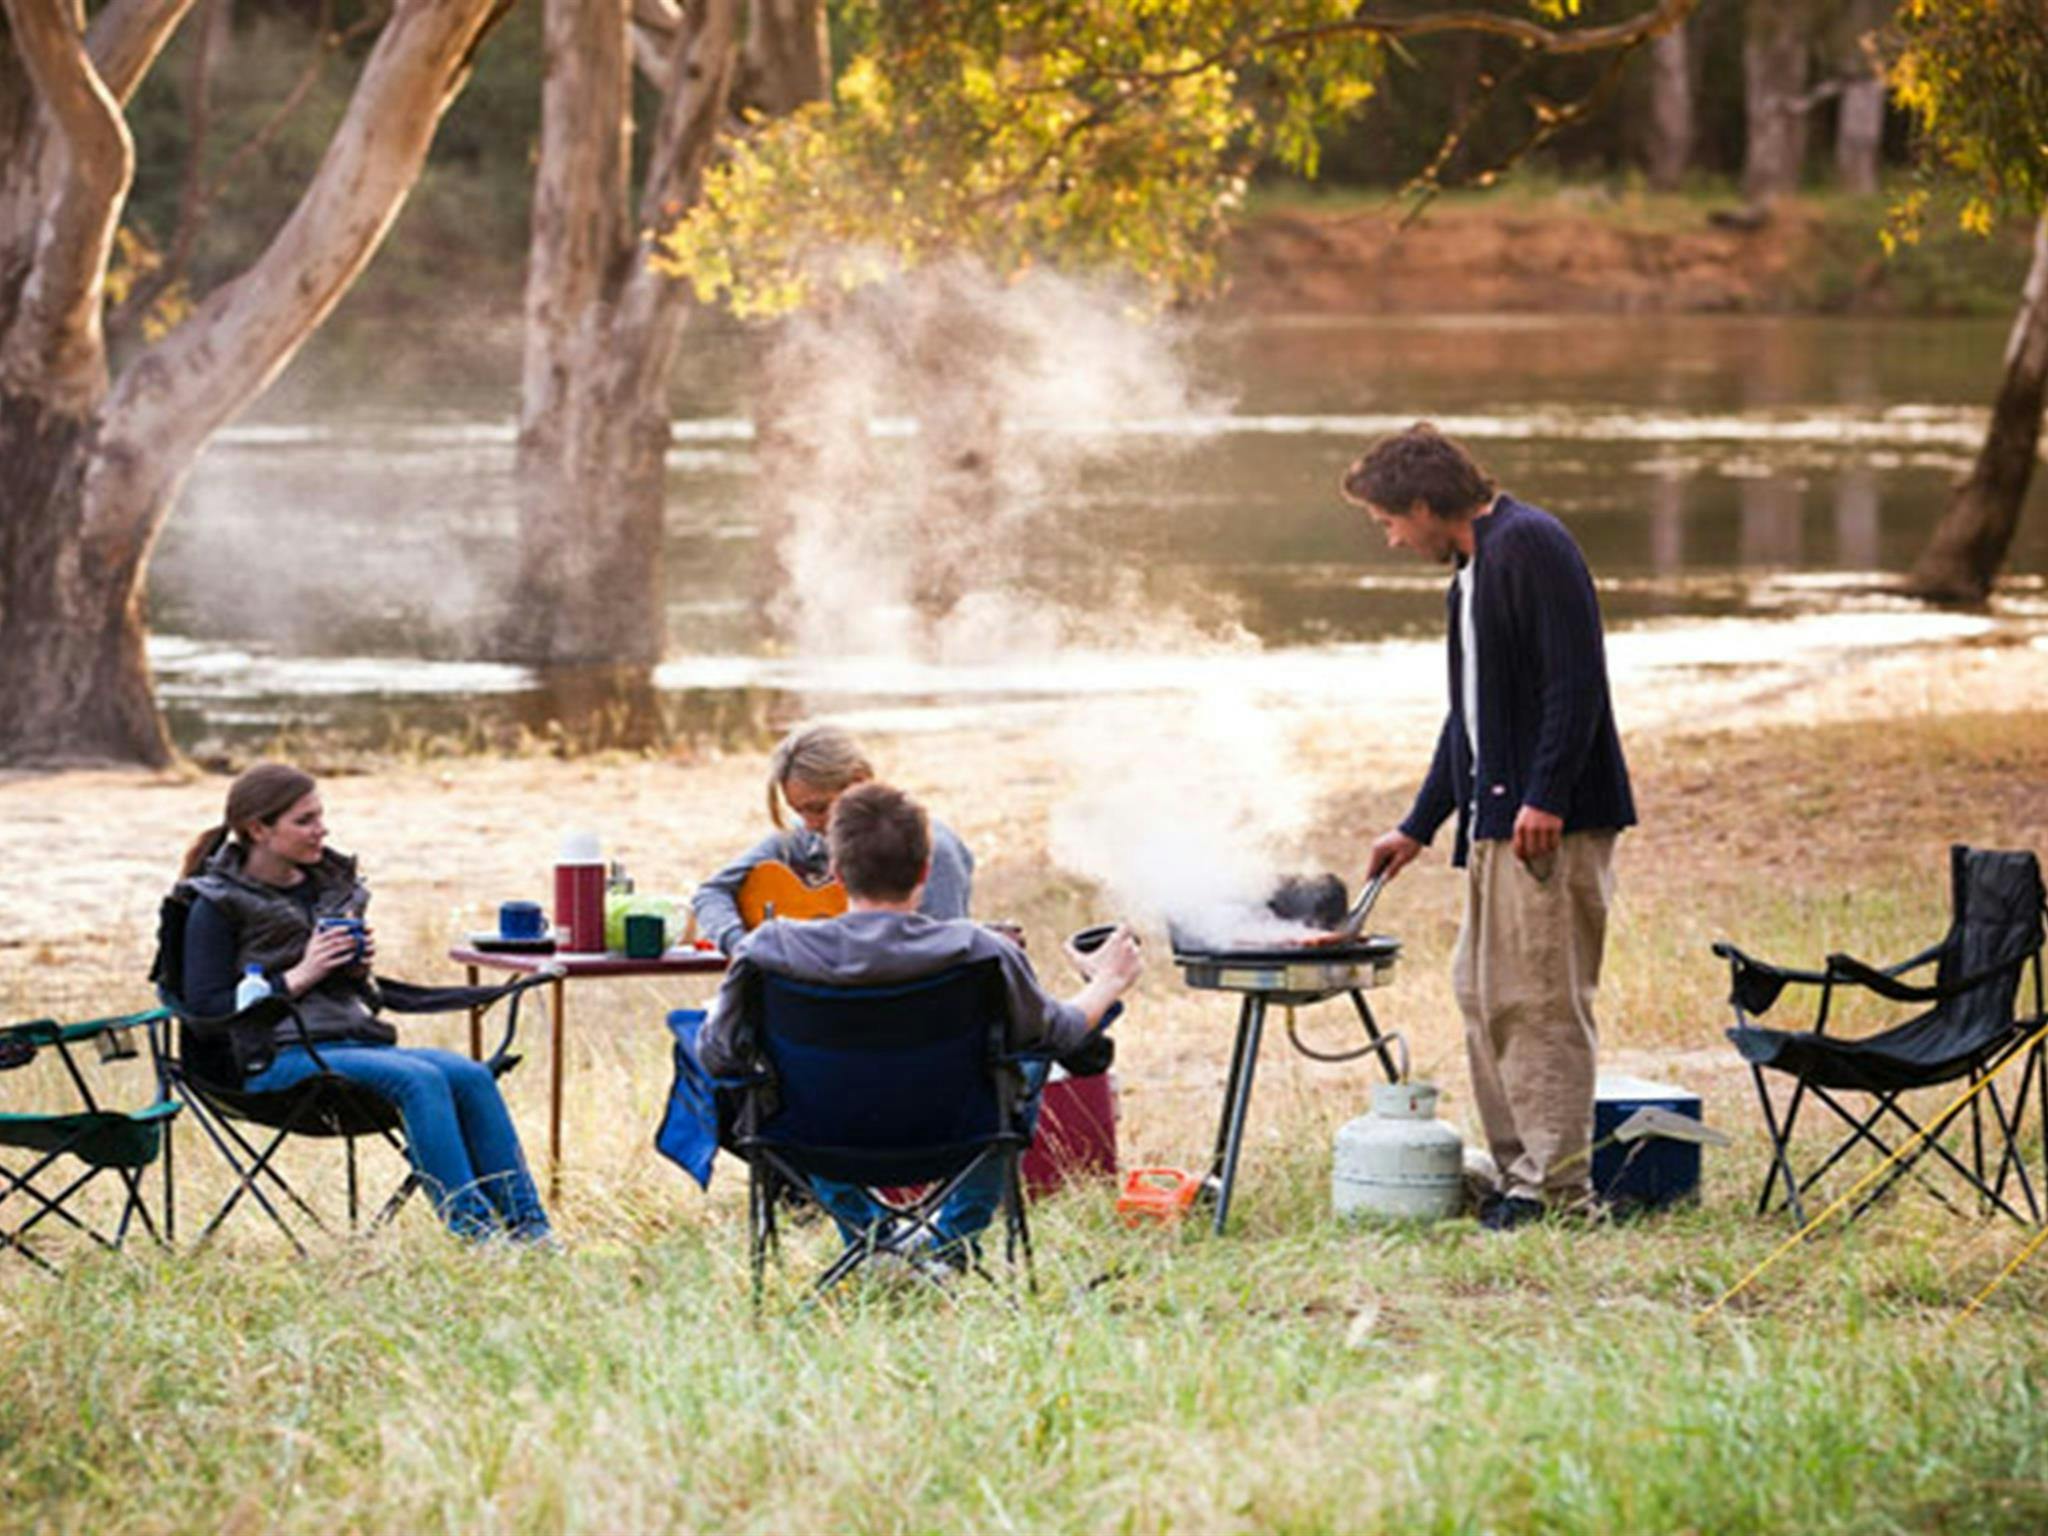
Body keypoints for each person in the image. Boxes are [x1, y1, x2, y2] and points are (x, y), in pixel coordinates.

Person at [1342, 423, 1635, 1232]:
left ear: (1427, 502)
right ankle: (1518, 1181)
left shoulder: (1530, 544)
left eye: (1390, 521)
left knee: (1539, 1000)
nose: (1393, 538)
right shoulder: (1473, 571)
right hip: (1497, 820)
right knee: (1486, 993)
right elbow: (1468, 718)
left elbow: (1576, 682)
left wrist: (1547, 795)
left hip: (1545, 824)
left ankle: (1559, 1194)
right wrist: (1418, 824)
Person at [698, 781, 1141, 1262]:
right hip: (958, 1136)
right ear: (926, 871)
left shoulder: (768, 950)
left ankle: (871, 1242)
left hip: (816, 1141)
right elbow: (1058, 1034)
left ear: (835, 872)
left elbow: (718, 1057)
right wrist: (1106, 982)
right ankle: (951, 1246)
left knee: (771, 1082)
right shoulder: (984, 952)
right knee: (1024, 1065)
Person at [173, 763, 551, 1244]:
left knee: (470, 1075)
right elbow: (206, 1010)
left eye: (320, 816)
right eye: (304, 820)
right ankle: (478, 1235)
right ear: (258, 829)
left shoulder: (327, 886)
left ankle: (532, 1231)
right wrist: (303, 973)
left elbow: (347, 989)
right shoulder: (214, 905)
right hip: (270, 1059)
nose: (321, 830)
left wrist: (354, 968)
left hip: (351, 1041)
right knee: (418, 1079)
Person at [691, 723, 975, 957]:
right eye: (799, 812)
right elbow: (711, 893)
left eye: (819, 808)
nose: (812, 824)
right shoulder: (804, 838)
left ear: (860, 781)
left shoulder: (933, 851)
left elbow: (945, 957)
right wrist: (745, 949)